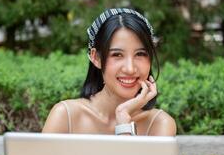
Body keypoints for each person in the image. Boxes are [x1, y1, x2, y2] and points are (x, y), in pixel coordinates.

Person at [42, 8, 176, 136]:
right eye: (117, 55)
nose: (130, 69)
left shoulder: (159, 123)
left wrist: (123, 119)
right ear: (96, 58)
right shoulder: (66, 116)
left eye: (140, 54)